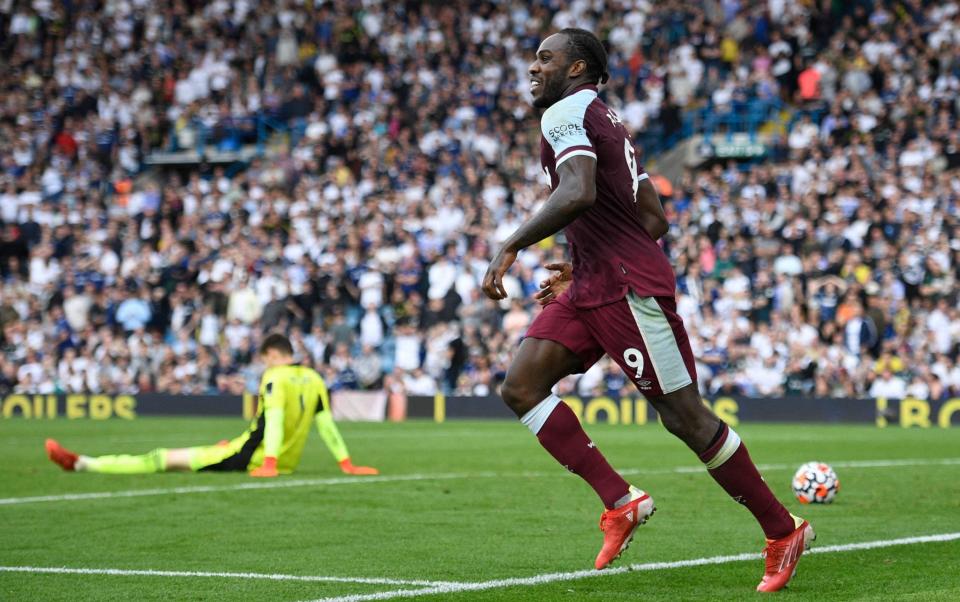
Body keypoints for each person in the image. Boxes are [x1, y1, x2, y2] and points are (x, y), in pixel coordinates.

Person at [481, 28, 813, 593]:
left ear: (578, 68)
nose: (534, 68)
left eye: (546, 58)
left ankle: (784, 530)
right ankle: (621, 500)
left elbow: (579, 190)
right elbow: (652, 219)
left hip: (628, 288)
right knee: (522, 385)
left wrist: (513, 244)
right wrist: (580, 258)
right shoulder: (608, 121)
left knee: (686, 418)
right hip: (592, 282)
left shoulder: (564, 113)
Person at [45, 333, 378, 478]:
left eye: (265, 360)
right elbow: (325, 425)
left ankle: (82, 464)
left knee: (161, 458)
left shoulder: (275, 376)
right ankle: (84, 464)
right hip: (267, 456)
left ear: (273, 356)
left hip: (252, 458)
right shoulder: (314, 377)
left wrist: (270, 463)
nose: (264, 366)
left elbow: (273, 420)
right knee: (214, 447)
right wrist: (346, 464)